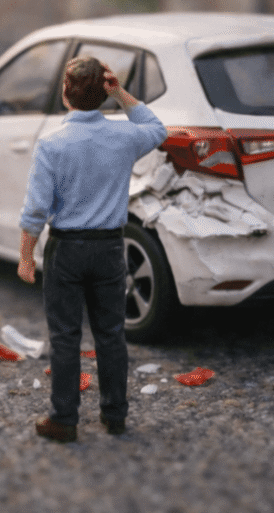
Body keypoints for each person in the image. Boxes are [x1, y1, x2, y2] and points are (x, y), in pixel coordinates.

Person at [18, 56, 168, 443]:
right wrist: (120, 94)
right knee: (111, 335)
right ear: (103, 92)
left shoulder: (51, 144)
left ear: (65, 94)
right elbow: (157, 129)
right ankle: (115, 415)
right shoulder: (124, 136)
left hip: (66, 250)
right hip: (110, 248)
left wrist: (25, 256)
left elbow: (35, 210)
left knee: (65, 337)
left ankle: (64, 419)